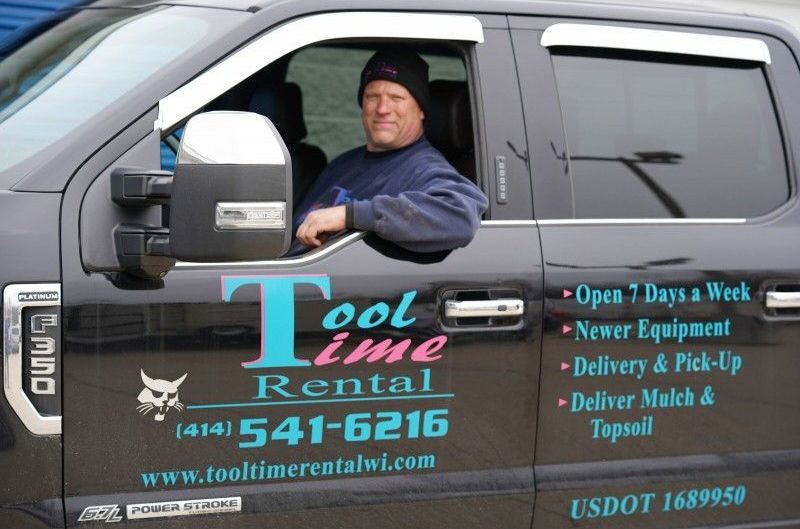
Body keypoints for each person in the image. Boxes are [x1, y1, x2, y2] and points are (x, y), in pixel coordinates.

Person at [292, 48, 488, 253]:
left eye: (396, 98)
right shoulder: (342, 164)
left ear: (421, 109)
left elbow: (461, 215)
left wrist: (348, 216)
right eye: (372, 96)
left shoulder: (425, 169)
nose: (383, 109)